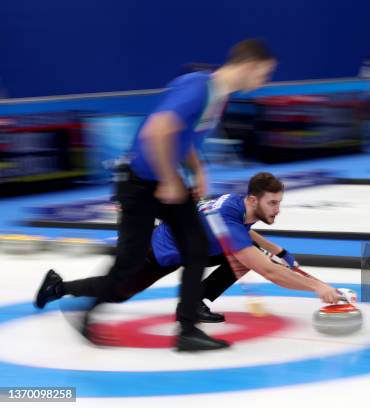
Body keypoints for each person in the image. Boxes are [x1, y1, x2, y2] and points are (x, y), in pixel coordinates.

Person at [75, 39, 277, 351]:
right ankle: (87, 314)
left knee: (195, 246)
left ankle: (187, 330)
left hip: (166, 178)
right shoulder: (199, 88)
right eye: (264, 74)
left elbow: (183, 138)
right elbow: (156, 131)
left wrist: (197, 171)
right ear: (250, 65)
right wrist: (171, 179)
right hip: (141, 183)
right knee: (129, 262)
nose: (264, 81)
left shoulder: (218, 98)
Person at [35, 173, 341, 350]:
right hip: (157, 252)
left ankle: (195, 304)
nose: (277, 210)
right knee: (117, 291)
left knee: (250, 254)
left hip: (184, 247)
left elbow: (247, 237)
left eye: (279, 203)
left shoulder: (238, 205)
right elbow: (268, 271)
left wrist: (276, 248)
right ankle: (59, 287)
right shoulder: (230, 216)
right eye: (272, 203)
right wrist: (316, 286)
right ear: (253, 200)